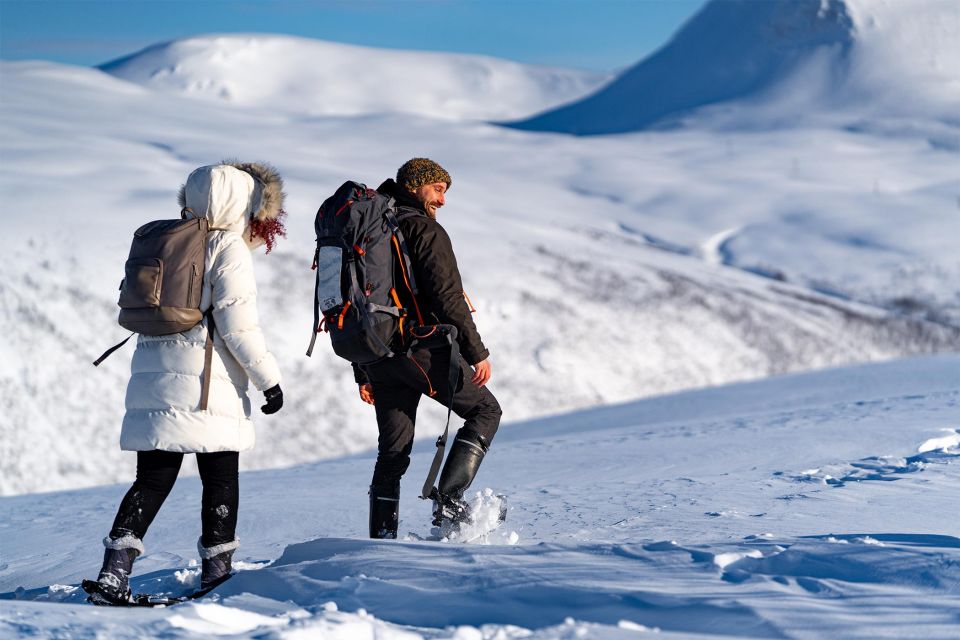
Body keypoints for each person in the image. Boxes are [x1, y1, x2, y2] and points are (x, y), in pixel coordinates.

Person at [85, 162, 286, 605]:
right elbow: (237, 325)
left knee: (152, 479)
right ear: (242, 203)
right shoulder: (228, 247)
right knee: (220, 478)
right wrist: (268, 379)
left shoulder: (166, 242)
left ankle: (113, 574)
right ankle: (216, 576)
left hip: (153, 379)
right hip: (205, 385)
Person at [358, 157, 502, 539]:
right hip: (418, 349)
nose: (442, 199)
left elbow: (357, 302)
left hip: (377, 355)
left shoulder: (372, 230)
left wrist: (363, 369)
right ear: (415, 185)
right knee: (486, 410)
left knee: (392, 452)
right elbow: (447, 297)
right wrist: (477, 352)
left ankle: (381, 539)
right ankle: (451, 504)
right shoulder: (424, 230)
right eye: (437, 188)